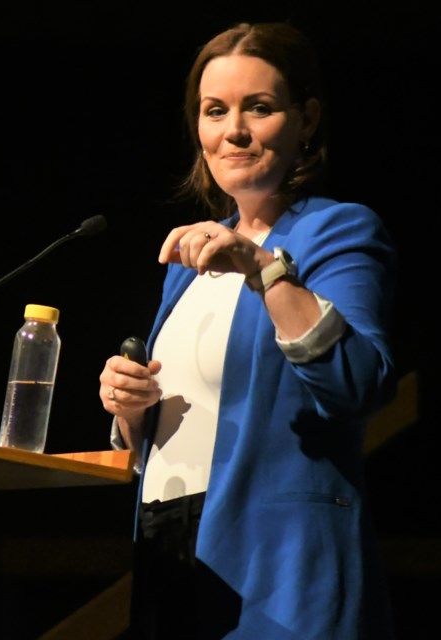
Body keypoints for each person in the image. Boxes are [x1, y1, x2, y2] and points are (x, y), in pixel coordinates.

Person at [98, 22, 398, 639]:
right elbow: (191, 417)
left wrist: (263, 270)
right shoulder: (186, 269)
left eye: (257, 108)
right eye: (215, 111)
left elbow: (358, 384)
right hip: (170, 551)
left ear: (305, 120)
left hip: (278, 561)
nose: (233, 130)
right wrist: (131, 408)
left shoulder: (336, 233)